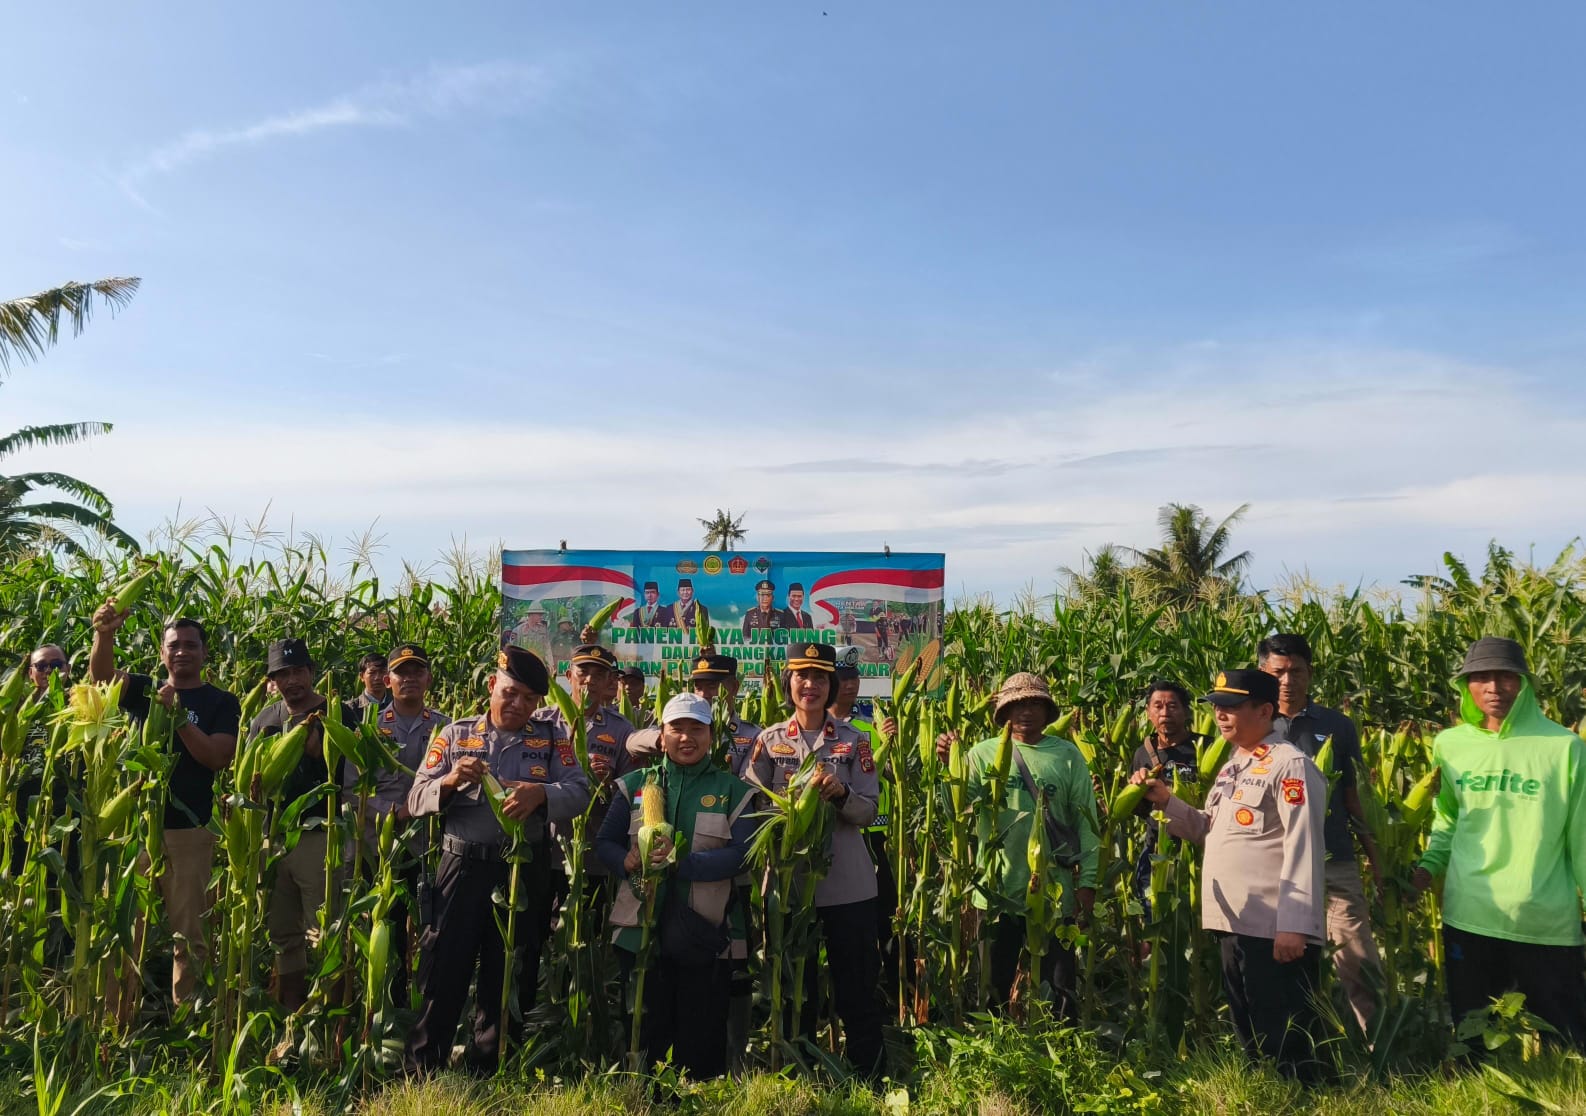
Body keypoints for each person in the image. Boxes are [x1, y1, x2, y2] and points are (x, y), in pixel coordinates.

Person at [404, 646, 591, 1076]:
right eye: (511, 693)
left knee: (510, 969)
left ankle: (491, 1067)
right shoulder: (454, 735)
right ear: (492, 686)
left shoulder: (550, 740)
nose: (519, 705)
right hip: (462, 868)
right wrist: (449, 782)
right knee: (444, 967)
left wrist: (541, 794)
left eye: (530, 699)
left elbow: (579, 791)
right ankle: (421, 1068)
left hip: (523, 871)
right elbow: (416, 798)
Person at [1135, 669, 1327, 1082]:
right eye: (1217, 707)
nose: (1220, 715)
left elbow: (1304, 846)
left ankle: (1303, 1097)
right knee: (1249, 1024)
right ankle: (1263, 1093)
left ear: (1265, 710)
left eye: (1231, 707)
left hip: (1274, 926)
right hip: (1234, 921)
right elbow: (1209, 830)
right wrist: (1166, 802)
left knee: (1284, 1028)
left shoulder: (1290, 765)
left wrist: (1295, 926)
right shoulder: (1234, 766)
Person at [1410, 637, 1586, 1050]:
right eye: (1482, 677)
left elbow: (1581, 836)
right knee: (1472, 1038)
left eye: (1506, 676)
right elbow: (1448, 819)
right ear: (1465, 685)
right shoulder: (1451, 745)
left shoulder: (1564, 747)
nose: (1494, 687)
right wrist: (1428, 866)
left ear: (1524, 683)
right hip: (1470, 913)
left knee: (1566, 1042)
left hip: (1544, 920)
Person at [596, 693, 759, 1079]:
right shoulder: (634, 785)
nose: (686, 738)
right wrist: (626, 860)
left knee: (700, 1027)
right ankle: (645, 1091)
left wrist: (682, 865)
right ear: (662, 735)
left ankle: (698, 1093)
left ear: (710, 735)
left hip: (703, 931)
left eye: (696, 729)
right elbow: (604, 843)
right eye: (677, 729)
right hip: (639, 929)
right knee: (648, 1021)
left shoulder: (733, 791)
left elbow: (743, 854)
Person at [89, 603, 241, 1008]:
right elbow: (101, 677)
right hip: (136, 829)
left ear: (205, 654)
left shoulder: (221, 703)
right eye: (174, 645)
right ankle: (115, 1027)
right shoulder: (143, 690)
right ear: (162, 652)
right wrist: (104, 634)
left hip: (189, 832)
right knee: (124, 932)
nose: (182, 652)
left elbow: (217, 757)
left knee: (190, 939)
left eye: (191, 645)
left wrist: (178, 718)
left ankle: (186, 1025)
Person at [746, 642, 884, 1078]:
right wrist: (787, 809)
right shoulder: (768, 741)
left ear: (833, 686)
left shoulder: (854, 741)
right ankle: (796, 1071)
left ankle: (869, 1071)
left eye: (820, 678)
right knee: (793, 985)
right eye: (802, 676)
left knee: (856, 982)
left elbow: (869, 810)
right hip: (789, 887)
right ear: (789, 683)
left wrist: (841, 794)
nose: (810, 685)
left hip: (847, 885)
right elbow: (748, 806)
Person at [1258, 633, 1383, 1034]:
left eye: (1296, 672)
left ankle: (1379, 1045)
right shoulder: (1252, 724)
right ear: (1263, 672)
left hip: (1335, 860)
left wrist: (1377, 861)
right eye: (1278, 672)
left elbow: (1354, 798)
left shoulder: (1337, 726)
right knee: (1282, 960)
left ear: (1310, 673)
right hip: (1274, 864)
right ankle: (1298, 1048)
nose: (1287, 681)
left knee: (1358, 958)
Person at [957, 673, 1098, 1017]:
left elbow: (1087, 822)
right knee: (994, 988)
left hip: (1055, 892)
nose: (1026, 711)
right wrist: (951, 764)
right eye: (1018, 704)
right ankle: (999, 1053)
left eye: (1035, 703)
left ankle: (1063, 1054)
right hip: (997, 889)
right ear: (1004, 710)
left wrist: (1088, 883)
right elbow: (955, 810)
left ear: (1047, 710)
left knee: (1061, 986)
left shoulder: (1067, 756)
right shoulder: (980, 754)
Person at [247, 638, 357, 1013]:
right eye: (282, 674)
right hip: (273, 838)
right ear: (272, 680)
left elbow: (357, 772)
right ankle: (291, 1009)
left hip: (319, 834)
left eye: (298, 672)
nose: (291, 681)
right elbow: (249, 776)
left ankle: (330, 1013)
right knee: (282, 931)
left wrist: (317, 756)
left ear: (312, 673)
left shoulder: (339, 715)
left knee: (323, 931)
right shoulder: (264, 720)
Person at [358, 643, 449, 1006]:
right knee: (391, 926)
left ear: (427, 678)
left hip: (430, 844)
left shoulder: (445, 727)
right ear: (387, 679)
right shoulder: (372, 728)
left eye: (416, 672)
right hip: (384, 845)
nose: (409, 678)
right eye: (401, 672)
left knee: (431, 926)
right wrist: (393, 813)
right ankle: (391, 1003)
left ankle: (428, 1000)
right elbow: (354, 789)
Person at [532, 644, 635, 918]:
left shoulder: (622, 729)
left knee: (587, 929)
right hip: (543, 850)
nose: (590, 679)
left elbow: (630, 793)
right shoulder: (539, 723)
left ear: (608, 682)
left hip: (592, 856)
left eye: (599, 674)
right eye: (583, 671)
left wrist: (608, 783)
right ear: (569, 675)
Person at [1129, 681, 1207, 916]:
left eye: (1173, 706)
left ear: (1186, 711)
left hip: (1198, 848)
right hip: (1158, 847)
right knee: (1157, 918)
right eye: (1158, 706)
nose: (1165, 713)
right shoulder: (1143, 752)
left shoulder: (1204, 747)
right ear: (1148, 713)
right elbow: (1140, 810)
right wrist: (1135, 790)